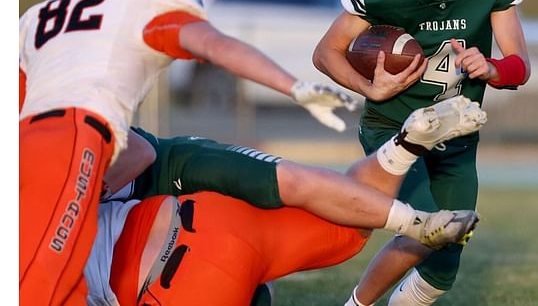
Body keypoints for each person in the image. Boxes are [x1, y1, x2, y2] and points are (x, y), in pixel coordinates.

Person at [19, 0, 356, 304]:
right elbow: (214, 47)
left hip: (104, 162)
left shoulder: (36, 20)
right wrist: (293, 87)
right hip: (117, 157)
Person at [312, 0, 531, 304]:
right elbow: (327, 52)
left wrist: (493, 67)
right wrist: (370, 88)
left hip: (457, 133)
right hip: (395, 129)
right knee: (428, 228)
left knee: (445, 263)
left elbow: (520, 65)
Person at [84, 95, 486, 305]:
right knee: (344, 224)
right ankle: (405, 148)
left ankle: (411, 221)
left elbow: (140, 154)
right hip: (199, 214)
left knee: (304, 188)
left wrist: (74, 198)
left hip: (168, 253)